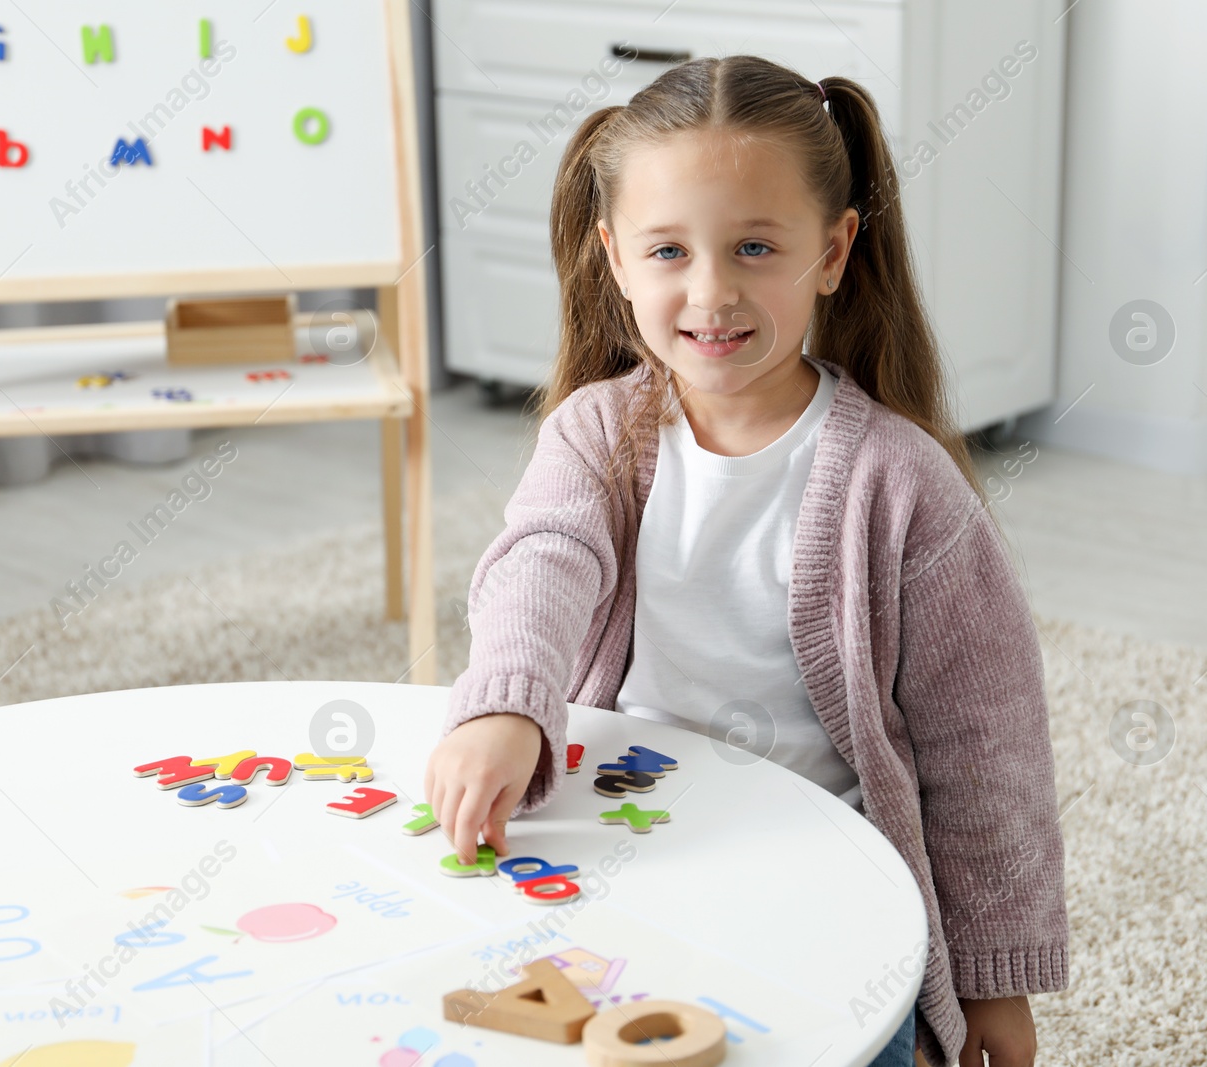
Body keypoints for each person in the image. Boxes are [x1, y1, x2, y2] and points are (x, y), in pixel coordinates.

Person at [423, 55, 1067, 1067]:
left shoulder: (902, 482)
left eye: (755, 246)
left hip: (826, 879)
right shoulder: (594, 433)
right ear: (614, 257)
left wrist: (995, 977)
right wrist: (505, 702)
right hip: (634, 854)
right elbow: (541, 557)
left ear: (833, 250)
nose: (710, 292)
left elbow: (985, 750)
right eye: (668, 249)